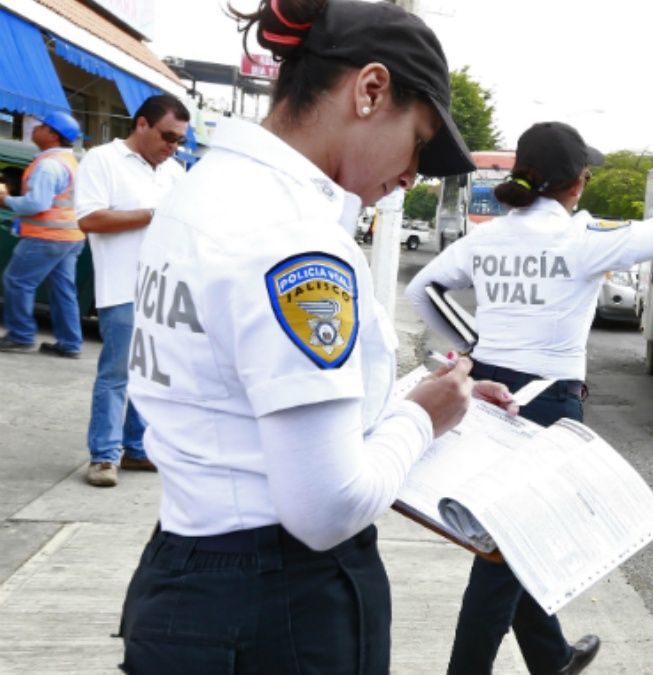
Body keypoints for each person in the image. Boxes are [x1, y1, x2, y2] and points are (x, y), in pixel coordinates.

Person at [116, 1, 516, 672]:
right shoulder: (294, 237)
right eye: (417, 142)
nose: (412, 176)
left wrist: (441, 397)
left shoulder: (204, 189)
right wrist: (422, 418)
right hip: (278, 606)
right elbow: (326, 507)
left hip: (186, 573)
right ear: (369, 90)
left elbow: (255, 390)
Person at [407, 110, 653, 675]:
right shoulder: (584, 239)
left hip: (484, 397)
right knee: (501, 554)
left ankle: (552, 658)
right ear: (577, 179)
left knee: (513, 542)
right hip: (546, 402)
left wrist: (475, 344)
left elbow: (421, 289)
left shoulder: (487, 238)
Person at [74, 94, 189, 487]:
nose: (172, 147)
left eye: (179, 141)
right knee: (117, 374)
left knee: (151, 376)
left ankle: (137, 448)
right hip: (123, 287)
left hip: (165, 290)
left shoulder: (174, 172)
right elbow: (89, 219)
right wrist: (154, 216)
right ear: (142, 124)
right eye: (167, 137)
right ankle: (104, 456)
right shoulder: (102, 161)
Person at [0, 111, 85, 357]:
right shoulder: (70, 162)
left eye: (41, 126)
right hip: (71, 237)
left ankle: (20, 336)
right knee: (63, 289)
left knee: (17, 281)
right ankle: (70, 343)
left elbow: (37, 204)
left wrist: (7, 201)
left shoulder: (48, 166)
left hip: (47, 236)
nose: (35, 129)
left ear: (52, 135)